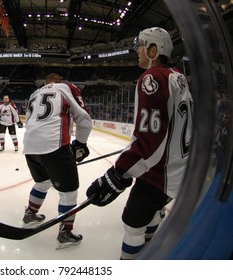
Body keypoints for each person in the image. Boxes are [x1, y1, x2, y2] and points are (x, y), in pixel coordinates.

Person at [86, 27, 193, 259]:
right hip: (177, 170)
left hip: (157, 173)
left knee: (132, 225)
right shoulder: (178, 77)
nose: (137, 50)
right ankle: (149, 248)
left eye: (142, 45)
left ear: (154, 50)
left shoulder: (152, 78)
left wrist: (118, 173)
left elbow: (149, 142)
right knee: (153, 213)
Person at [22, 73, 92, 249]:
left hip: (30, 146)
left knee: (42, 182)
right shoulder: (65, 87)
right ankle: (65, 233)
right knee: (68, 192)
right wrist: (80, 144)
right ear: (59, 82)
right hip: (54, 145)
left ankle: (30, 215)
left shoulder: (34, 94)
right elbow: (84, 120)